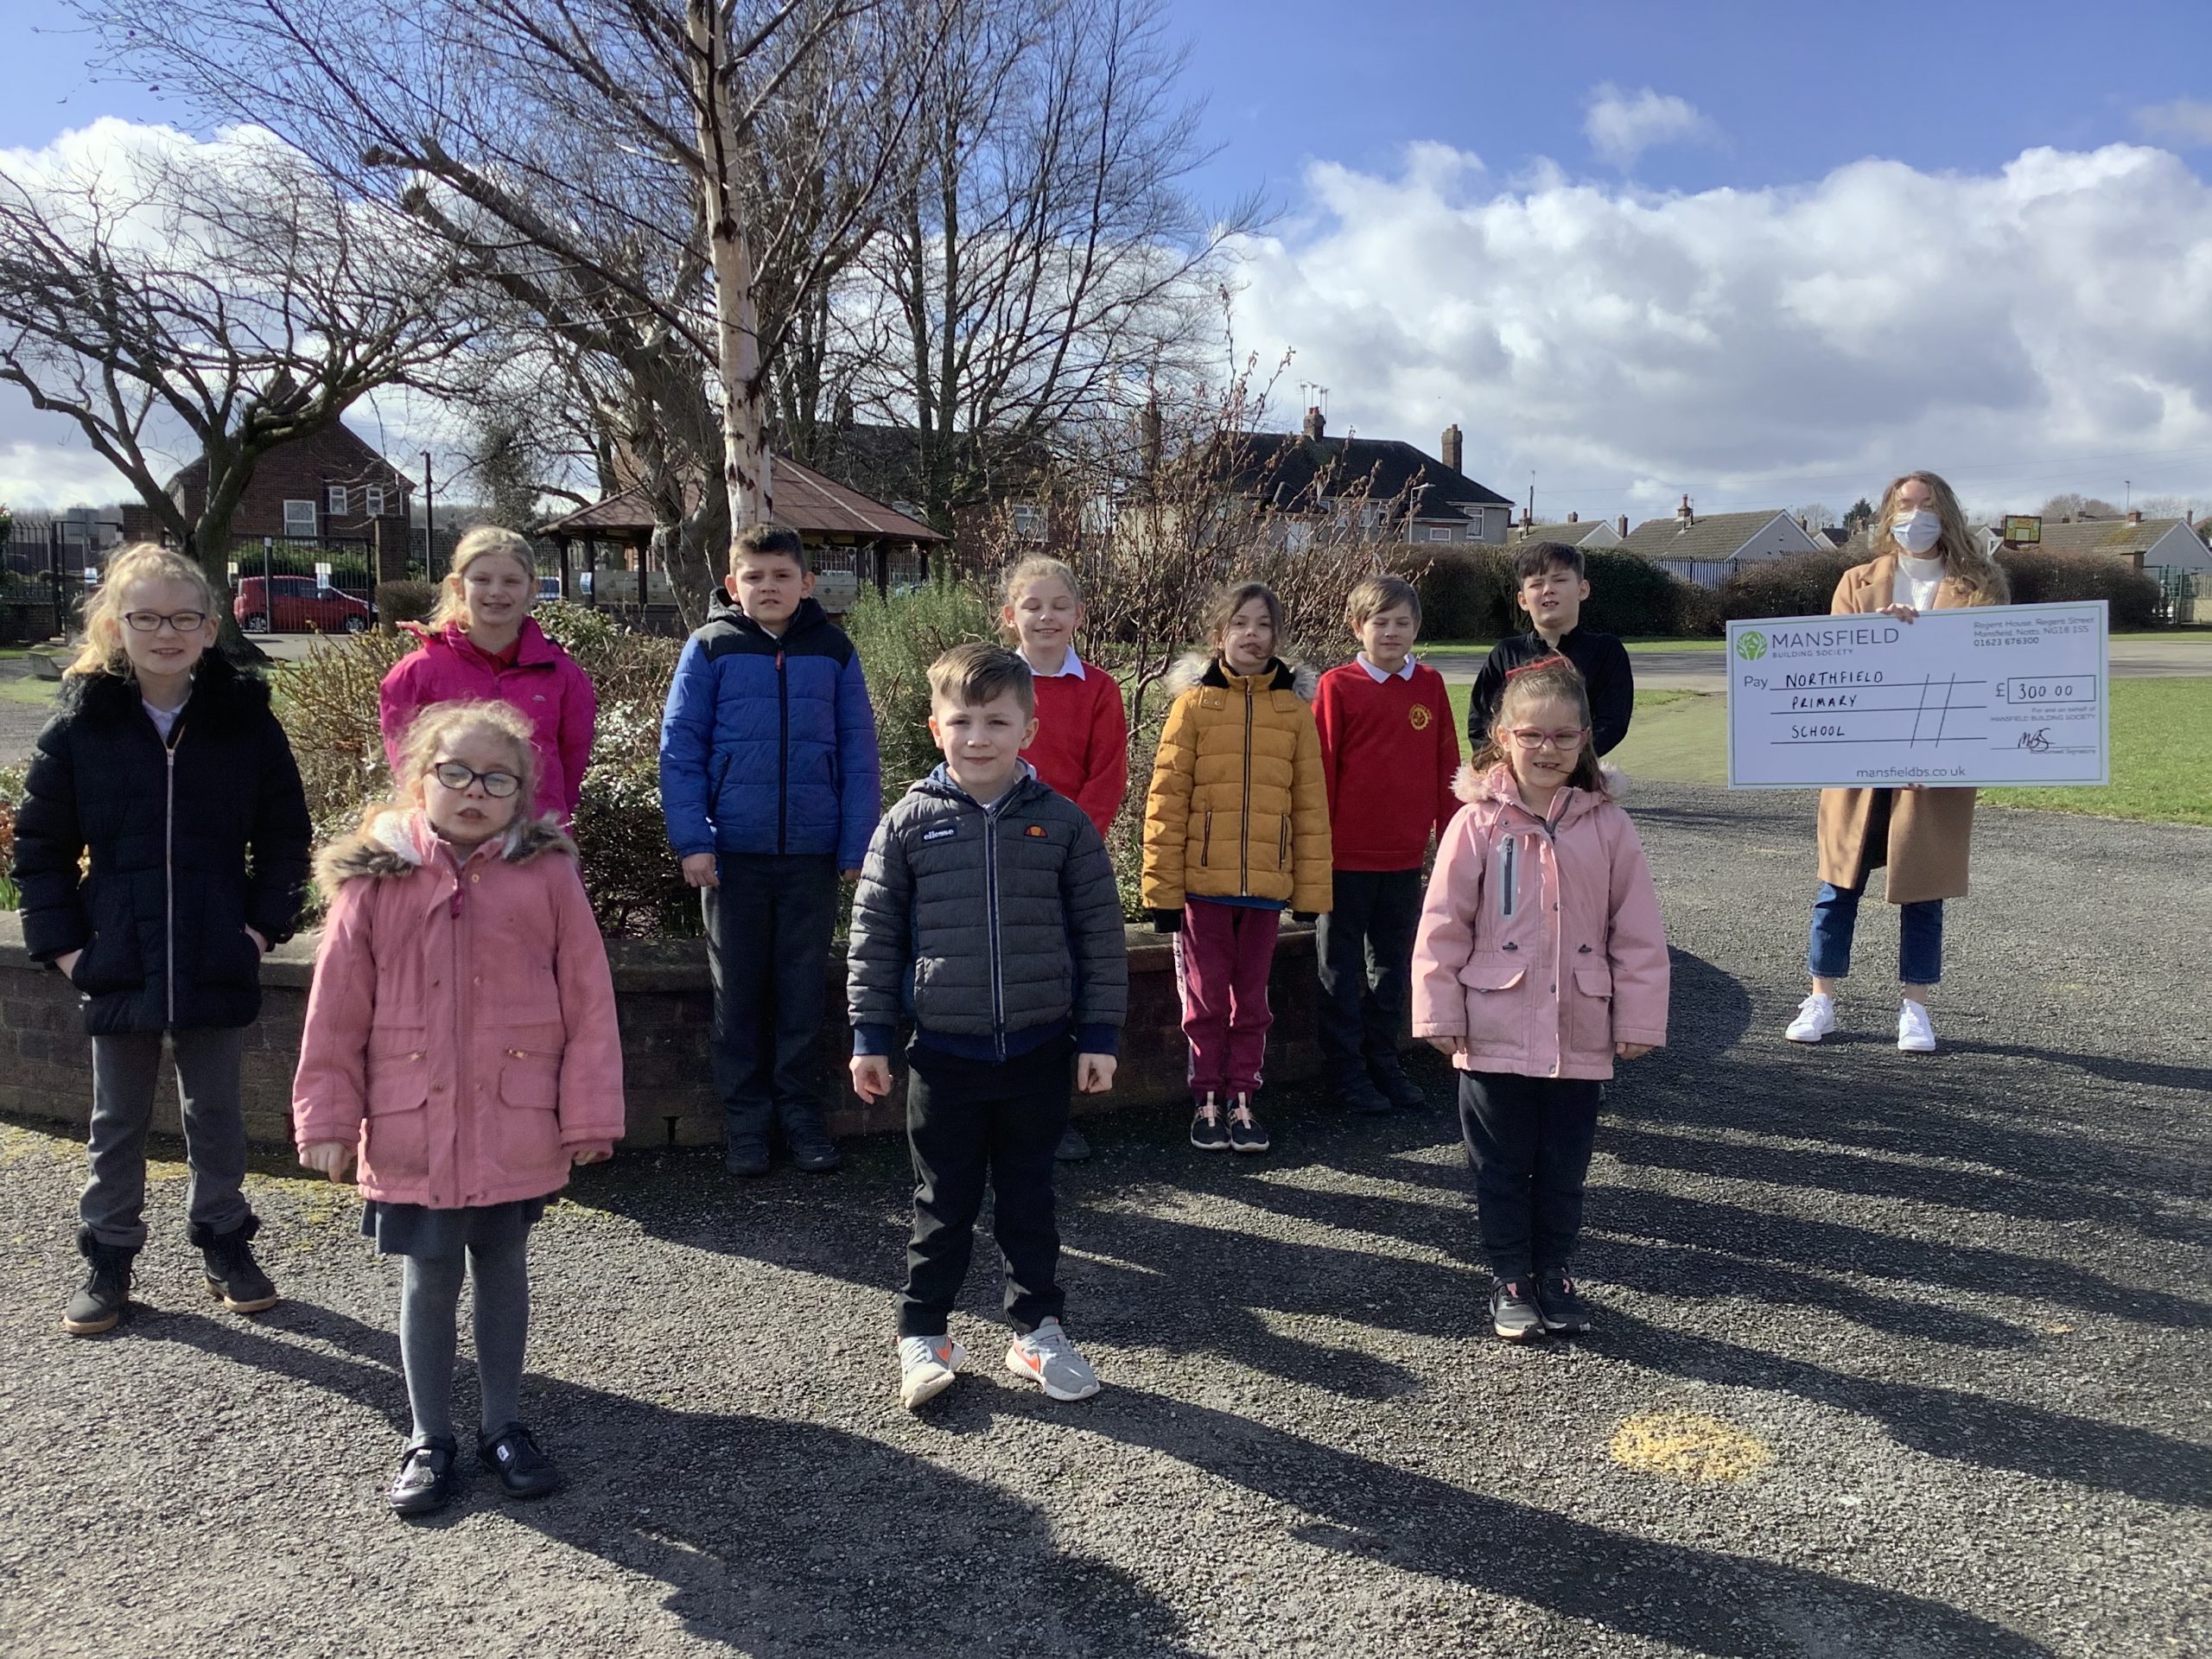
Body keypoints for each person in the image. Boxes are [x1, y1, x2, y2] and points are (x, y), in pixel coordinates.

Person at [294, 699, 624, 1517]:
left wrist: (588, 1115)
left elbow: (588, 999)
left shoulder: (547, 876)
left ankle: (503, 1425)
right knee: (429, 1276)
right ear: (419, 777)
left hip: (515, 1119)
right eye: (456, 773)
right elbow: (334, 1008)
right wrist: (329, 1119)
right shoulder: (376, 880)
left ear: (521, 794)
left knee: (504, 1270)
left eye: (497, 778)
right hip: (413, 1122)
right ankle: (428, 1434)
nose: (474, 791)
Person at [13, 544, 312, 1337]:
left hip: (217, 947)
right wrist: (69, 949)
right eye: (146, 618)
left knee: (214, 1110)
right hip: (119, 949)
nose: (166, 633)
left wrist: (258, 927)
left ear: (212, 629)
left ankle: (224, 1240)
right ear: (117, 625)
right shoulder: (82, 723)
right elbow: (39, 849)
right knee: (117, 1118)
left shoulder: (243, 719)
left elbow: (285, 833)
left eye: (184, 618)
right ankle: (109, 1256)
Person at [847, 643, 1127, 1410]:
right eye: (962, 720)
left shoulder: (1064, 826)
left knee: (1030, 1198)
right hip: (944, 1054)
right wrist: (870, 1037)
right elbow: (874, 941)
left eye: (997, 721)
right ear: (935, 727)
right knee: (943, 1202)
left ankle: (1036, 1331)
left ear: (1027, 730)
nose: (979, 737)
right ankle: (923, 1334)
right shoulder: (907, 826)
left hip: (1040, 1048)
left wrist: (1099, 1035)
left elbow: (1100, 935)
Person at [1412, 657, 1669, 1341]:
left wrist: (1638, 1016)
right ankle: (1510, 1278)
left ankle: (1554, 1271)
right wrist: (1438, 1009)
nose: (1547, 750)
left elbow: (1636, 929)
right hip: (1493, 1027)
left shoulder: (1609, 826)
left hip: (1579, 1026)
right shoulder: (1476, 824)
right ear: (1502, 735)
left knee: (1563, 1169)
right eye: (1532, 736)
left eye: (1563, 736)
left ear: (1586, 738)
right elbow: (1443, 923)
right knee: (1500, 1166)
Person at [658, 525, 880, 1176]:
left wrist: (855, 844)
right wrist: (693, 840)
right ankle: (747, 1127)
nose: (768, 587)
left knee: (803, 995)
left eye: (781, 576)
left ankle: (803, 1120)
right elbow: (680, 749)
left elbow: (859, 754)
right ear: (734, 586)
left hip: (811, 854)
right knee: (740, 997)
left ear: (806, 583)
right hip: (733, 858)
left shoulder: (835, 651)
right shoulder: (709, 647)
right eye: (754, 577)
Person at [1785, 470, 2009, 1054]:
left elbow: (1989, 668)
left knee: (1923, 889)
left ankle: (1915, 1009)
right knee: (1839, 882)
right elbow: (1831, 665)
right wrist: (1876, 633)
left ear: (1948, 513)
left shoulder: (1980, 584)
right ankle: (1821, 998)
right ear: (1888, 516)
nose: (1916, 515)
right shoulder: (1856, 582)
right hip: (1862, 757)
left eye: (1928, 505)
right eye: (1905, 505)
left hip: (1938, 763)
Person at [1141, 581, 1331, 1155]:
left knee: (1251, 1002)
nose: (1253, 635)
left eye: (1264, 625)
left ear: (1278, 635)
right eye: (1240, 624)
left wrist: (1311, 891)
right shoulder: (1193, 706)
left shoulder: (1294, 711)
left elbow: (1310, 805)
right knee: (1203, 1002)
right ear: (1219, 633)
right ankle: (1206, 1098)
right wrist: (1162, 891)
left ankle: (1244, 1097)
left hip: (1265, 891)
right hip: (1203, 888)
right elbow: (1166, 801)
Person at [1312, 573, 1461, 1116]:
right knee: (1339, 965)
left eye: (1403, 622)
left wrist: (1451, 843)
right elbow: (1321, 770)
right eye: (1380, 622)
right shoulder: (1337, 685)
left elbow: (1449, 767)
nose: (1392, 632)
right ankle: (1344, 1070)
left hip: (1404, 858)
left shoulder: (1430, 685)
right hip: (1344, 860)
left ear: (1417, 627)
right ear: (1358, 627)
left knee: (1393, 966)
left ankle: (1384, 1059)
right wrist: (1314, 849)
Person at [999, 555, 1128, 1164]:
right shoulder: (997, 683)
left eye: (1058, 606)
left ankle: (1055, 1115)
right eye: (1032, 606)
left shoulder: (1098, 688)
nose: (1045, 617)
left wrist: (1071, 844)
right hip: (1003, 857)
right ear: (1010, 616)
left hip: (1071, 860)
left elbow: (1108, 776)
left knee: (1064, 985)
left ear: (1077, 614)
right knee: (1012, 984)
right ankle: (1003, 1114)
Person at [379, 525, 596, 824]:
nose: (496, 592)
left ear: (532, 588)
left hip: (534, 844)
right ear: (458, 587)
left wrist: (548, 826)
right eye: (481, 580)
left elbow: (572, 764)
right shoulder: (416, 672)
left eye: (511, 581)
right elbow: (406, 768)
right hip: (445, 844)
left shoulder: (563, 676)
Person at [1465, 542, 1634, 759]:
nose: (1548, 590)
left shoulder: (1605, 651)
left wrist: (1568, 760)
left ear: (1582, 589)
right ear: (1523, 600)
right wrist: (1509, 766)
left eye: (1560, 580)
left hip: (1579, 777)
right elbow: (1480, 723)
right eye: (1536, 584)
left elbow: (1612, 722)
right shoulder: (1505, 654)